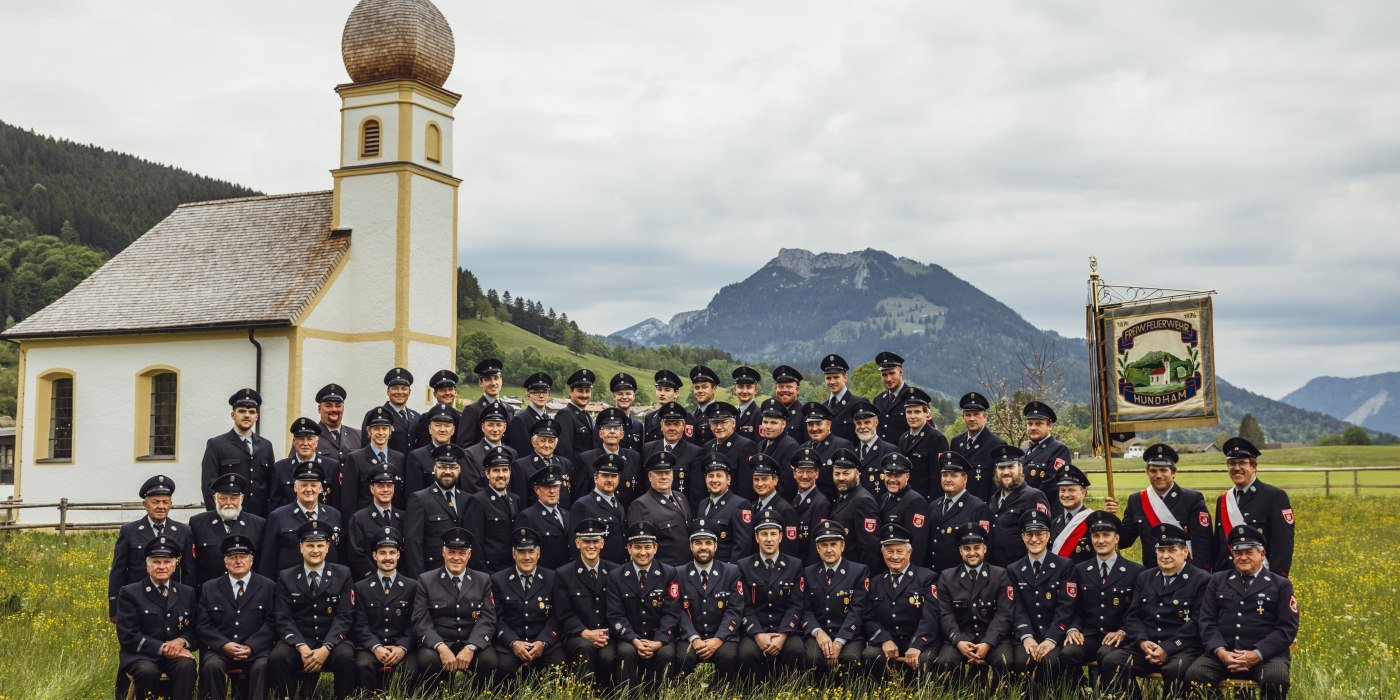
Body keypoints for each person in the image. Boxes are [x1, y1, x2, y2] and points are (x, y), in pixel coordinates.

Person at [1186, 524, 1299, 700]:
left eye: (1249, 552)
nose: (1243, 557)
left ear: (1262, 554)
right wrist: (1221, 652)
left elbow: (1287, 629)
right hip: (1224, 654)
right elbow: (1206, 621)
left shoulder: (1281, 584)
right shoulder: (1218, 580)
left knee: (1275, 679)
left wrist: (1257, 654)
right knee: (1195, 675)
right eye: (1238, 553)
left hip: (1266, 657)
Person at [1100, 523, 1210, 700]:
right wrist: (1142, 642)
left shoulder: (1201, 579)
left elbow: (1198, 623)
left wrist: (1167, 648)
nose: (1165, 556)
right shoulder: (1146, 577)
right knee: (1112, 661)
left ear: (1185, 552)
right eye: (1160, 550)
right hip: (1147, 647)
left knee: (1176, 670)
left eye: (1172, 550)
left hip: (1181, 648)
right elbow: (1133, 616)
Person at [268, 520, 356, 699]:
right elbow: (283, 618)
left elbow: (345, 616)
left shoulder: (343, 574)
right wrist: (301, 647)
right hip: (300, 641)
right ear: (301, 547)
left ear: (327, 547)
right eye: (309, 545)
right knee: (278, 657)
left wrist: (326, 648)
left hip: (331, 640)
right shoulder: (286, 577)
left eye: (319, 545)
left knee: (346, 657)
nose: (315, 550)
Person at [410, 527, 500, 693]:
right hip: (439, 642)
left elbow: (488, 618)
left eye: (461, 553)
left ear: (469, 555)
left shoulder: (483, 579)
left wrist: (471, 647)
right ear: (443, 553)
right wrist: (440, 647)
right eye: (451, 552)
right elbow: (420, 619)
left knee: (489, 661)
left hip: (470, 641)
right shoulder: (426, 580)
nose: (456, 558)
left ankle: (477, 696)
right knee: (426, 659)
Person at [1059, 511, 1143, 688]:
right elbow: (1072, 606)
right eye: (1096, 536)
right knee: (1068, 652)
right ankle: (1082, 692)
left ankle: (1115, 694)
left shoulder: (1136, 571)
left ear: (1117, 538)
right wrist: (1073, 628)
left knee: (1108, 656)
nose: (1101, 540)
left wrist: (1123, 631)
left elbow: (1138, 611)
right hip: (1088, 634)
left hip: (1118, 636)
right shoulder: (1079, 570)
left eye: (1106, 535)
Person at [115, 536, 197, 700]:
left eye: (166, 562)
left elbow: (194, 630)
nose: (162, 567)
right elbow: (128, 635)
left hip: (175, 656)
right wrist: (164, 648)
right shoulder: (130, 593)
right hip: (140, 655)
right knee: (147, 671)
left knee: (187, 666)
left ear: (174, 566)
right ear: (147, 566)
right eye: (156, 562)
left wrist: (181, 642)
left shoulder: (187, 593)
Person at [930, 523, 1015, 681]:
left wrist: (987, 643)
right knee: (945, 662)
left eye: (977, 547)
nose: (972, 553)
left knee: (1005, 662)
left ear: (985, 549)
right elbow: (945, 615)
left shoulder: (1000, 575)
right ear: (960, 551)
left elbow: (1004, 614)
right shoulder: (947, 577)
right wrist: (959, 641)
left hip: (993, 637)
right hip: (961, 636)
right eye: (967, 548)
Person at [1006, 510, 1077, 696]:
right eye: (1029, 534)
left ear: (1047, 536)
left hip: (1055, 635)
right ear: (1023, 537)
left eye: (1039, 534)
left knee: (1051, 662)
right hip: (1027, 635)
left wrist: (1051, 638)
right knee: (1022, 661)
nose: (1034, 539)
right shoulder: (1014, 569)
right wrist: (1027, 636)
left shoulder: (1064, 566)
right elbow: (1016, 607)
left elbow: (1066, 606)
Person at [197, 534, 275, 700]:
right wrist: (223, 644)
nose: (238, 561)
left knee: (263, 665)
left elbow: (272, 622)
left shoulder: (268, 586)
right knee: (212, 665)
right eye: (232, 557)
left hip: (256, 651)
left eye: (243, 556)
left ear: (251, 560)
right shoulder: (210, 587)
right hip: (221, 651)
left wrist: (251, 646)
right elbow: (203, 625)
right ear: (225, 562)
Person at [606, 522, 683, 687]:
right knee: (625, 652)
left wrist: (659, 641)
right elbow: (615, 615)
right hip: (630, 637)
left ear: (655, 548)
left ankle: (663, 696)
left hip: (659, 637)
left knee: (667, 653)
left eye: (647, 547)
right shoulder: (616, 576)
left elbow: (671, 613)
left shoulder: (669, 573)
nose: (642, 552)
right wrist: (634, 639)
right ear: (629, 548)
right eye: (637, 547)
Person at [860, 523, 942, 679]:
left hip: (919, 639)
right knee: (871, 654)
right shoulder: (876, 582)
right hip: (890, 640)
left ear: (909, 552)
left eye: (900, 551)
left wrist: (917, 645)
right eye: (890, 552)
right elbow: (869, 617)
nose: (895, 557)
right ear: (883, 553)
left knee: (925, 660)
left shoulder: (927, 577)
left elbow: (930, 617)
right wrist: (884, 640)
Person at [674, 519, 746, 686]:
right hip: (691, 636)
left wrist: (719, 639)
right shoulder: (679, 573)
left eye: (708, 542)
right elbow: (678, 610)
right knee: (683, 657)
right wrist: (694, 638)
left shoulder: (731, 571)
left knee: (728, 656)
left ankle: (725, 693)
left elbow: (735, 610)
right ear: (691, 546)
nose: (703, 547)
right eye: (698, 543)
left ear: (716, 546)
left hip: (723, 637)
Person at [349, 526, 421, 694]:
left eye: (391, 552)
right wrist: (376, 647)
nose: (387, 558)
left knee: (410, 669)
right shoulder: (361, 587)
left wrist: (402, 647)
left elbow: (415, 623)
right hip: (371, 648)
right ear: (374, 556)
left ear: (398, 555)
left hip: (401, 647)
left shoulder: (412, 586)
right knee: (363, 665)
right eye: (382, 553)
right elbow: (360, 625)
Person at [1119, 443, 1214, 569]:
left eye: (1164, 470)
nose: (1158, 475)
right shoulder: (1136, 500)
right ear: (1147, 472)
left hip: (1186, 573)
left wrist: (1196, 578)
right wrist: (1110, 518)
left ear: (1173, 472)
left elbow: (1203, 544)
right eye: (1153, 470)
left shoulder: (1192, 500)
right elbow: (1124, 540)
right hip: (1153, 575)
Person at [110, 475, 192, 620]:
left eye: (165, 502)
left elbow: (189, 572)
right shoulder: (129, 531)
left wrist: (189, 602)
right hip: (137, 600)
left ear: (170, 505)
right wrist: (115, 608)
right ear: (145, 504)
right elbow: (118, 571)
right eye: (155, 502)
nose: (161, 506)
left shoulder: (183, 531)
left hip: (173, 600)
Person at [735, 517, 807, 681]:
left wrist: (782, 636)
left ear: (780, 537)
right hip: (755, 629)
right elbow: (744, 607)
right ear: (756, 537)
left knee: (796, 650)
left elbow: (795, 606)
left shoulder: (795, 565)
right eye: (764, 534)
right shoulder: (743, 566)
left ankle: (789, 692)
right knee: (746, 653)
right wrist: (758, 634)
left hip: (785, 629)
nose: (769, 539)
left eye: (773, 534)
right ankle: (754, 693)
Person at [1213, 437, 1295, 578]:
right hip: (1227, 580)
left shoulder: (1274, 496)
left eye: (1242, 463)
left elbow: (1283, 545)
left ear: (1254, 466)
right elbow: (1219, 547)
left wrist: (1275, 581)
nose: (1236, 468)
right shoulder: (1223, 500)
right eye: (1232, 463)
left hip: (1261, 578)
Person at [491, 527, 565, 681]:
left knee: (559, 666)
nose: (526, 557)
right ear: (513, 554)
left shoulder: (553, 578)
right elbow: (497, 619)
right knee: (501, 668)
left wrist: (542, 642)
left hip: (544, 642)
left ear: (538, 554)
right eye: (521, 552)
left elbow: (557, 616)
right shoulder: (498, 580)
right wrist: (513, 643)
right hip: (511, 644)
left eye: (531, 552)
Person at [798, 520, 870, 676]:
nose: (829, 550)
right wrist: (818, 632)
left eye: (833, 544)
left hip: (848, 634)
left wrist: (839, 641)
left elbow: (857, 610)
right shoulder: (808, 572)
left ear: (842, 546)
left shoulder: (858, 571)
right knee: (813, 657)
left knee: (850, 659)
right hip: (819, 633)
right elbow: (806, 609)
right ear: (817, 548)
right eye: (824, 545)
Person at [555, 518, 618, 688]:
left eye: (595, 541)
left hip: (607, 635)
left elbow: (618, 609)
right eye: (586, 542)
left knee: (608, 657)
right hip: (577, 635)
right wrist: (585, 633)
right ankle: (582, 694)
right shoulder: (564, 574)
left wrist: (604, 634)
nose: (591, 546)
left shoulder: (614, 572)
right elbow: (564, 613)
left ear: (602, 543)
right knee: (585, 649)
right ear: (577, 543)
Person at [201, 388, 276, 517]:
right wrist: (216, 517)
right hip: (228, 516)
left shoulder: (266, 446)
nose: (247, 415)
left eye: (251, 412)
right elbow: (208, 486)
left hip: (258, 519)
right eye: (241, 411)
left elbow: (271, 485)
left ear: (256, 417)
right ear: (233, 415)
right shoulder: (217, 444)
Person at [259, 463, 343, 577]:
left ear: (321, 488)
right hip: (289, 587)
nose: (309, 489)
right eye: (303, 485)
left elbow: (341, 557)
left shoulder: (334, 515)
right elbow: (267, 562)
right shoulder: (278, 516)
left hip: (327, 585)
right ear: (295, 487)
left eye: (313, 485)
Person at [188, 473, 267, 589]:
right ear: (215, 498)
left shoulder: (258, 524)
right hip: (209, 595)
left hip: (246, 594)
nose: (228, 503)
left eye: (233, 498)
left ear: (242, 498)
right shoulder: (198, 523)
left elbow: (262, 565)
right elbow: (191, 566)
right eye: (223, 498)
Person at [405, 444, 471, 576]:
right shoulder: (419, 499)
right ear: (434, 469)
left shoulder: (467, 499)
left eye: (452, 467)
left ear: (459, 470)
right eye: (442, 467)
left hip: (462, 573)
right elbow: (413, 543)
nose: (447, 471)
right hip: (431, 573)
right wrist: (420, 579)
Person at [926, 452, 993, 574]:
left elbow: (984, 551)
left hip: (960, 579)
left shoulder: (978, 507)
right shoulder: (934, 505)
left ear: (965, 479)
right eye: (944, 475)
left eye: (953, 475)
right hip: (934, 576)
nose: (948, 480)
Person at [986, 445, 1051, 568]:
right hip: (995, 568)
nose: (1005, 472)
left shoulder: (1033, 496)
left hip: (1020, 568)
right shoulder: (994, 498)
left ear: (1020, 468)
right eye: (1001, 468)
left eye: (1011, 467)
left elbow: (1041, 538)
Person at [627, 452, 693, 566]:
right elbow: (642, 550)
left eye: (667, 472)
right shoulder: (640, 505)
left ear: (672, 474)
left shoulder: (681, 497)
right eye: (658, 473)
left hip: (687, 568)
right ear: (649, 476)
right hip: (664, 571)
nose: (664, 477)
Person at [462, 446, 521, 573]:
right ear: (487, 474)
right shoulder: (477, 501)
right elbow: (475, 545)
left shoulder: (515, 499)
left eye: (505, 470)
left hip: (513, 569)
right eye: (496, 470)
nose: (501, 475)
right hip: (491, 571)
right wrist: (485, 577)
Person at [731, 455, 800, 560]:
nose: (760, 484)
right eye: (756, 479)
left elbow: (789, 551)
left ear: (775, 480)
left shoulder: (785, 510)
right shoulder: (752, 506)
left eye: (764, 479)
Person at [342, 406, 407, 516]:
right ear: (369, 431)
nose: (380, 432)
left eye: (384, 428)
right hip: (365, 523)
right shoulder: (355, 458)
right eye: (376, 428)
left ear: (390, 431)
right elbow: (349, 500)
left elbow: (400, 497)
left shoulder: (399, 458)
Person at [568, 453, 630, 564]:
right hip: (598, 572)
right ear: (596, 478)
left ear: (619, 479)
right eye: (605, 475)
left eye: (614, 476)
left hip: (618, 571)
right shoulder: (583, 505)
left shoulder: (619, 506)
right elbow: (575, 547)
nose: (610, 480)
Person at [345, 465, 405, 580]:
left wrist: (396, 577)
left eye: (389, 486)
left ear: (394, 488)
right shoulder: (359, 518)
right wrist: (378, 577)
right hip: (369, 582)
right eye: (380, 486)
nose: (385, 490)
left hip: (399, 582)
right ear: (372, 489)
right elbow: (356, 555)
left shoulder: (403, 517)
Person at [576, 407, 644, 507]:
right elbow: (581, 498)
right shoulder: (586, 459)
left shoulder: (634, 457)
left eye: (616, 428)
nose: (612, 431)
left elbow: (639, 494)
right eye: (607, 428)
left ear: (622, 434)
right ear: (600, 433)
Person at [271, 417, 342, 511]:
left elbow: (336, 504)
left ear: (316, 442)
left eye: (309, 439)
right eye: (300, 439)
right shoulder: (279, 468)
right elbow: (274, 505)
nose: (305, 443)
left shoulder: (332, 467)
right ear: (294, 442)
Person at [641, 402, 704, 504]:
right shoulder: (648, 449)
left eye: (676, 424)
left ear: (683, 426)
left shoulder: (695, 452)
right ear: (661, 426)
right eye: (667, 424)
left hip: (679, 509)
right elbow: (643, 485)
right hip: (651, 509)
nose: (672, 428)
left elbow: (696, 494)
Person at [949, 391, 1007, 502]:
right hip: (956, 506)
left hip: (981, 509)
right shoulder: (956, 442)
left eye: (976, 414)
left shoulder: (997, 445)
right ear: (963, 417)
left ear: (985, 416)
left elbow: (997, 486)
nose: (972, 418)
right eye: (968, 415)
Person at [827, 449, 881, 568]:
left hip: (854, 572)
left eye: (846, 473)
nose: (841, 478)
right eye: (837, 474)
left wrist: (864, 578)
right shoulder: (843, 496)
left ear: (857, 475)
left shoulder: (863, 501)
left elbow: (869, 547)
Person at [877, 453, 931, 571]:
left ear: (907, 476)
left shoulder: (915, 501)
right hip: (888, 565)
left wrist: (911, 575)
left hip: (904, 570)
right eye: (889, 475)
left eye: (897, 476)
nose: (892, 480)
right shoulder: (884, 498)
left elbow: (917, 545)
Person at [513, 466, 573, 570]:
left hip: (567, 575)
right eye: (547, 487)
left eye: (555, 486)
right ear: (537, 490)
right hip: (545, 577)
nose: (552, 491)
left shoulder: (567, 514)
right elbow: (524, 553)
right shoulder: (527, 517)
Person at [899, 388, 949, 500]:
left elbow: (938, 478)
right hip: (905, 499)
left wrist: (932, 506)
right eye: (909, 412)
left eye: (917, 412)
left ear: (926, 413)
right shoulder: (903, 438)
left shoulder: (937, 438)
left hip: (926, 501)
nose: (912, 416)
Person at [799, 401, 855, 501]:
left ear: (828, 424)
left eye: (819, 424)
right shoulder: (803, 448)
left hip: (832, 506)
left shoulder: (842, 446)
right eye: (810, 424)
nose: (814, 428)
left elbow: (848, 484)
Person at [702, 401, 757, 501]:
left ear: (733, 424)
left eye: (723, 422)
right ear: (710, 426)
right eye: (714, 423)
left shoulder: (745, 446)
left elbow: (746, 488)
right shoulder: (708, 447)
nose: (719, 427)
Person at [513, 417, 575, 506]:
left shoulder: (565, 463)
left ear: (556, 444)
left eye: (551, 441)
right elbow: (521, 501)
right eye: (542, 441)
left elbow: (569, 496)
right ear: (533, 442)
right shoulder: (521, 465)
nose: (547, 445)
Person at [694, 455, 744, 561]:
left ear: (728, 479)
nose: (714, 480)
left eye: (719, 476)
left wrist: (732, 573)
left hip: (726, 569)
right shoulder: (702, 504)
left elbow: (741, 547)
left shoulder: (739, 504)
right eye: (710, 476)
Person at [360, 367, 419, 456]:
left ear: (409, 392)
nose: (400, 392)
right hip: (387, 468)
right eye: (395, 388)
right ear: (388, 391)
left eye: (404, 388)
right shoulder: (374, 415)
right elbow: (366, 449)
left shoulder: (416, 417)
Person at [1020, 401, 1072, 503]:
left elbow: (1052, 485)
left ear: (1050, 426)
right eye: (1030, 424)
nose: (1033, 427)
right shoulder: (1023, 452)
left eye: (1038, 423)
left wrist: (1021, 500)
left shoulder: (1059, 449)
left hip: (1046, 511)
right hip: (1023, 511)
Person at [456, 358, 514, 448]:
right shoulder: (472, 410)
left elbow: (510, 442)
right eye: (488, 379)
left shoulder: (509, 409)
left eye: (496, 378)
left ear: (501, 380)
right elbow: (464, 445)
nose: (493, 383)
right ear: (480, 383)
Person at [404, 404, 460, 497]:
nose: (442, 430)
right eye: (437, 425)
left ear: (453, 430)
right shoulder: (416, 457)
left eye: (447, 426)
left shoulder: (461, 456)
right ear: (430, 429)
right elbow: (413, 495)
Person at [1048, 464, 1100, 563]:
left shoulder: (1093, 521)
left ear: (1083, 493)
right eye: (1062, 490)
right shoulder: (1053, 524)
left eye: (1071, 490)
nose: (1066, 495)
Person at [462, 403, 516, 496]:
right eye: (490, 425)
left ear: (504, 427)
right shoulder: (469, 455)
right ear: (483, 427)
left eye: (499, 425)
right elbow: (473, 490)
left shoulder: (512, 453)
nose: (495, 429)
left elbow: (514, 487)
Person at [791, 447, 833, 562]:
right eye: (800, 471)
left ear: (817, 474)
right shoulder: (795, 500)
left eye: (809, 471)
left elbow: (816, 546)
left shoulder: (821, 503)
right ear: (794, 473)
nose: (805, 476)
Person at [754, 398, 802, 497]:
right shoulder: (761, 445)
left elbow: (787, 487)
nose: (768, 426)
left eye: (773, 423)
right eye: (765, 422)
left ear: (783, 424)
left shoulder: (790, 446)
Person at [851, 400, 899, 496]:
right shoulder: (852, 452)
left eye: (867, 422)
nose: (863, 427)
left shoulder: (890, 451)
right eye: (859, 423)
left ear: (876, 422)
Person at [819, 353, 866, 444]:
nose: (832, 381)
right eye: (828, 378)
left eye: (836, 377)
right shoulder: (823, 407)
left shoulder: (858, 403)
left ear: (845, 378)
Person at [555, 368, 598, 465]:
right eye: (580, 391)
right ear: (571, 392)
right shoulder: (565, 414)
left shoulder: (587, 415)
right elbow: (564, 451)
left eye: (587, 391)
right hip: (576, 473)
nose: (584, 395)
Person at [409, 369, 459, 451]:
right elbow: (423, 449)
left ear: (455, 392)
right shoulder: (426, 418)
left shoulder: (462, 417)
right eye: (442, 390)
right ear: (435, 394)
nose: (447, 393)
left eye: (450, 389)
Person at [313, 383, 363, 465]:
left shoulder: (358, 436)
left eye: (338, 406)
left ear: (343, 408)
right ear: (319, 409)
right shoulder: (309, 438)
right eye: (328, 406)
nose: (334, 410)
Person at [507, 372, 554, 456]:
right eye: (536, 392)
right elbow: (522, 452)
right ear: (528, 396)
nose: (541, 396)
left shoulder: (548, 418)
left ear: (548, 395)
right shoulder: (520, 419)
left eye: (544, 392)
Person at [871, 352, 913, 444]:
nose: (888, 379)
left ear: (901, 372)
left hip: (903, 455)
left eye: (892, 373)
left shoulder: (914, 397)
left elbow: (927, 431)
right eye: (884, 375)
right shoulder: (878, 399)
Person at [608, 372, 646, 452]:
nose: (624, 397)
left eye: (628, 393)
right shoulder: (605, 423)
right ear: (614, 396)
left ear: (634, 396)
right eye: (620, 394)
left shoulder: (638, 426)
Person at [642, 369, 684, 442]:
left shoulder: (685, 417)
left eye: (667, 390)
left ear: (676, 393)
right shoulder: (649, 417)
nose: (662, 393)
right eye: (659, 389)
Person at [770, 365, 807, 443]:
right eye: (781, 387)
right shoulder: (769, 412)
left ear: (797, 389)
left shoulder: (805, 413)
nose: (784, 390)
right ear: (776, 389)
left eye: (789, 387)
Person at [686, 365, 721, 446]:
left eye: (704, 387)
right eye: (697, 387)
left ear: (714, 389)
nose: (700, 391)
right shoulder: (691, 415)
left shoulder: (720, 415)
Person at [730, 366, 763, 440]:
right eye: (740, 387)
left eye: (749, 387)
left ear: (756, 390)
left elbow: (760, 445)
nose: (744, 391)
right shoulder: (733, 413)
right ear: (735, 389)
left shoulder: (759, 414)